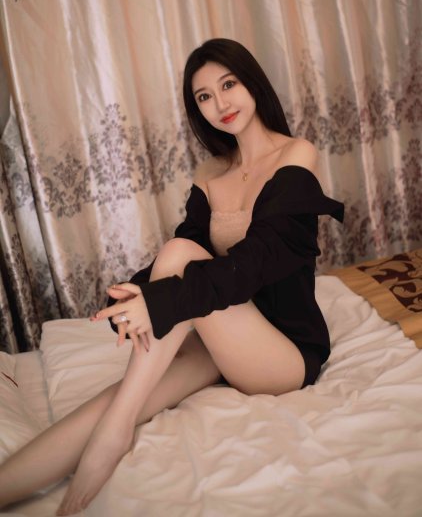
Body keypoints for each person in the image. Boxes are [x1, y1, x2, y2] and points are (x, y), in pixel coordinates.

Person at [0, 38, 343, 515]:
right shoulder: (211, 174)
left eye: (228, 85)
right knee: (123, 396)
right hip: (226, 335)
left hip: (284, 353)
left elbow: (257, 261)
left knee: (178, 258)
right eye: (204, 96)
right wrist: (136, 295)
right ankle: (77, 449)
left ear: (252, 83)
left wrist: (158, 302)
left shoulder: (296, 153)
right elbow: (188, 250)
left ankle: (115, 435)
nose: (220, 103)